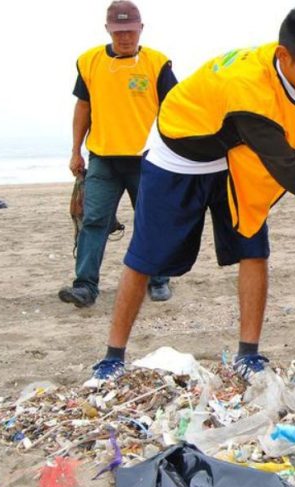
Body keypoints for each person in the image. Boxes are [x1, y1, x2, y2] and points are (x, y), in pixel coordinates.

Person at [85, 4, 295, 384]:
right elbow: (289, 168)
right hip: (180, 155)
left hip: (237, 153)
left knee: (253, 246)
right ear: (283, 56)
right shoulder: (247, 87)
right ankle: (112, 357)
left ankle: (249, 355)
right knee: (144, 257)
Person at [59, 1, 174, 309]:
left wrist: (178, 153)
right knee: (94, 220)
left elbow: (174, 108)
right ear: (108, 29)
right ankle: (85, 286)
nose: (125, 37)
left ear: (141, 29)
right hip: (103, 158)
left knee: (151, 220)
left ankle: (159, 279)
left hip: (147, 160)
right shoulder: (89, 61)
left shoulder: (157, 63)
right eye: (119, 31)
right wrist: (75, 151)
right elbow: (83, 108)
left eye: (131, 31)